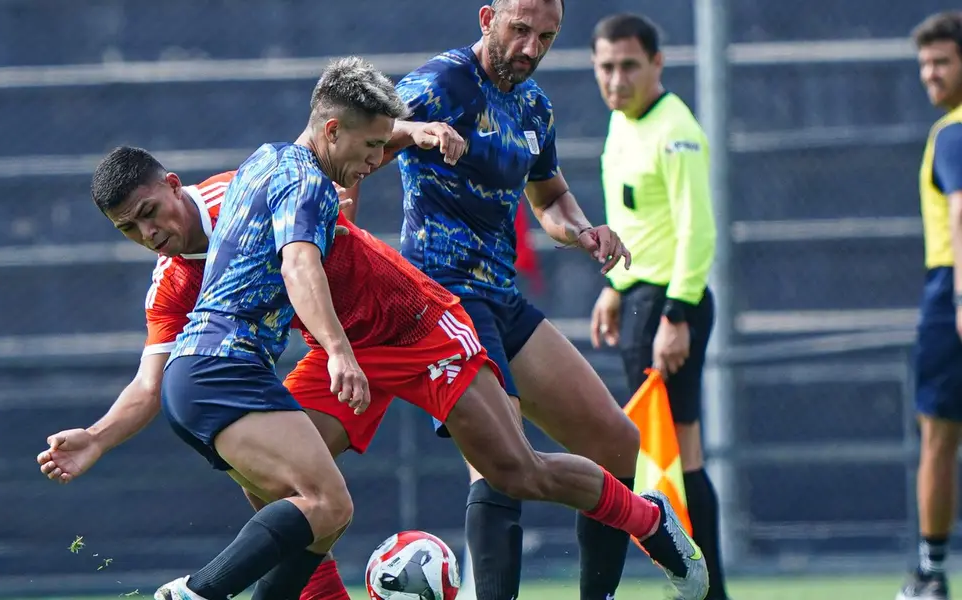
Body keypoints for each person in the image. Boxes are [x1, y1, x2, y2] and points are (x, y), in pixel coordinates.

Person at [40, 58, 706, 600]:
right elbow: (152, 381)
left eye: (150, 213)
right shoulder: (203, 249)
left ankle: (649, 519)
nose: (149, 233)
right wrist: (97, 437)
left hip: (418, 326)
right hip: (343, 348)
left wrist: (412, 136)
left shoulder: (249, 183)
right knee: (274, 482)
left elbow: (321, 213)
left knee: (515, 470)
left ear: (175, 187)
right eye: (131, 229)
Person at [392, 2, 674, 599]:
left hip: (499, 295)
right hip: (444, 298)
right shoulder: (440, 82)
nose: (530, 47)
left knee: (616, 440)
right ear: (487, 17)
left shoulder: (534, 105)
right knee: (505, 462)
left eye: (545, 36)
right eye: (520, 30)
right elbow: (355, 129)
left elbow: (548, 200)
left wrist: (583, 230)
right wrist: (413, 130)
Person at [584, 13, 728, 600]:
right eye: (606, 67)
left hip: (672, 307)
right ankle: (703, 587)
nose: (616, 80)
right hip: (644, 300)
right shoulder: (624, 124)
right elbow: (640, 222)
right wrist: (616, 287)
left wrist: (675, 316)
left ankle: (704, 587)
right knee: (654, 453)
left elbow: (697, 232)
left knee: (652, 454)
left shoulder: (676, 129)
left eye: (629, 66)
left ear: (657, 65)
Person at [898, 11, 962, 600]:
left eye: (942, 61)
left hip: (951, 290)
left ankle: (929, 573)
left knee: (939, 434)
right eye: (925, 63)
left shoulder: (953, 132)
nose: (930, 73)